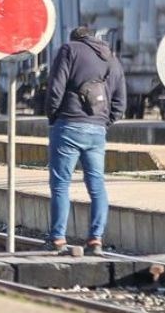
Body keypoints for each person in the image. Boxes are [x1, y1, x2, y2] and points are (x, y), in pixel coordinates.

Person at [45, 25, 127, 254]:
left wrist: (53, 116)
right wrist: (104, 121)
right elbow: (121, 100)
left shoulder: (69, 50)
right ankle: (95, 240)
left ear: (75, 38)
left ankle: (58, 239)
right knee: (97, 186)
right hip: (97, 130)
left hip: (68, 125)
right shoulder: (110, 57)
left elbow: (55, 87)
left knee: (61, 185)